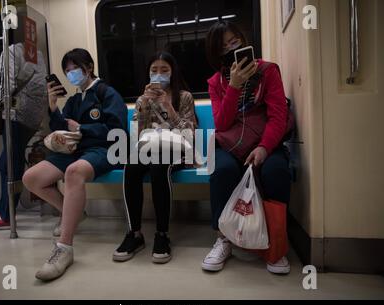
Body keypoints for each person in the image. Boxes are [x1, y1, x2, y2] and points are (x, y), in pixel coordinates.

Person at [22, 48, 128, 281]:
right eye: (67, 71)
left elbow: (118, 131)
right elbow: (62, 125)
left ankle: (64, 248)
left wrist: (82, 128)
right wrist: (53, 108)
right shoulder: (74, 99)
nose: (71, 74)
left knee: (74, 172)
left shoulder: (107, 94)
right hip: (75, 150)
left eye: (74, 69)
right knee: (31, 178)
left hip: (106, 150)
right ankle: (75, 213)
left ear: (88, 67)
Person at [203, 21, 291, 274]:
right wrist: (234, 86)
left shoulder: (268, 70)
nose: (232, 48)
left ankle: (276, 242)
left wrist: (264, 147)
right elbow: (221, 123)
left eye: (234, 42)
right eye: (224, 48)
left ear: (243, 38)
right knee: (222, 171)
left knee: (276, 172)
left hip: (266, 142)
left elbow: (278, 116)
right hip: (230, 144)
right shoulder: (215, 82)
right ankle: (223, 238)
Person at [112, 52, 197, 264]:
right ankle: (135, 233)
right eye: (154, 71)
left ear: (173, 72)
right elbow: (137, 134)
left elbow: (190, 132)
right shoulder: (143, 99)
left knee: (160, 167)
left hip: (177, 149)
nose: (158, 74)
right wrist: (142, 105)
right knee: (130, 166)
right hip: (149, 148)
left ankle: (162, 234)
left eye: (164, 70)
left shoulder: (184, 97)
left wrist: (168, 106)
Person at [0, 42, 47, 231]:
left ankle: (6, 215)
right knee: (8, 162)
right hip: (33, 116)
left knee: (9, 164)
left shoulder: (9, 51)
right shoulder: (36, 52)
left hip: (16, 114)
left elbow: (6, 86)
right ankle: (3, 209)